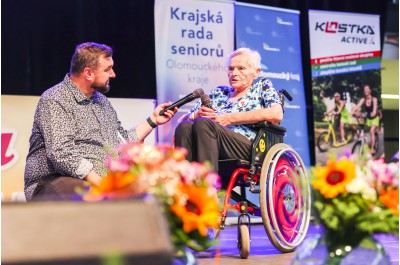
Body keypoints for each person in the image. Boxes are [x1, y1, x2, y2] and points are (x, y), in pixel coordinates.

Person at [24, 42, 177, 201]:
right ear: (88, 73)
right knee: (89, 195)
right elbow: (61, 154)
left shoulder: (102, 102)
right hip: (53, 181)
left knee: (148, 195)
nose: (113, 74)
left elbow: (121, 144)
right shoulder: (55, 99)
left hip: (97, 181)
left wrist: (153, 120)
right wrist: (102, 183)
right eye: (107, 69)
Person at [174, 48, 283, 172]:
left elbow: (276, 114)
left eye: (241, 68)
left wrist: (230, 119)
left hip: (248, 146)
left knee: (204, 124)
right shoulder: (219, 92)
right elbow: (181, 121)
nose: (234, 73)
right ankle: (186, 184)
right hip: (209, 141)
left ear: (256, 72)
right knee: (185, 127)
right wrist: (196, 114)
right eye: (231, 69)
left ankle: (208, 185)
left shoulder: (262, 87)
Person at [351, 84, 380, 155]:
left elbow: (374, 107)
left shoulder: (374, 99)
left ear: (370, 90)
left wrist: (373, 111)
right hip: (368, 119)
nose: (366, 90)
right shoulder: (363, 99)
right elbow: (357, 106)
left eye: (367, 89)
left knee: (371, 131)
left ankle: (372, 149)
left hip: (374, 118)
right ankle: (363, 142)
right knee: (362, 129)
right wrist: (352, 112)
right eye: (365, 90)